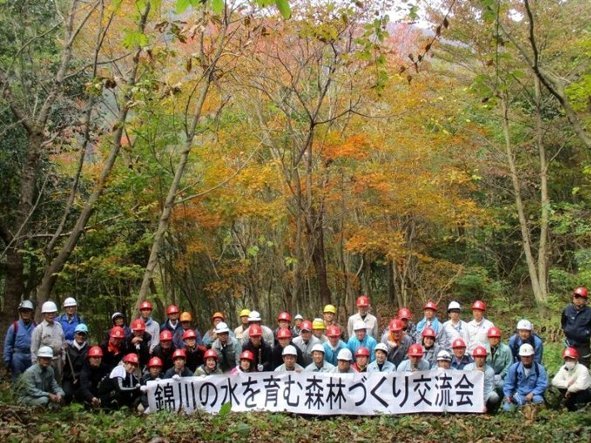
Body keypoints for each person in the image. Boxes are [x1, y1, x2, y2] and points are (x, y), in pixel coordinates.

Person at [502, 344, 548, 412]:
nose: (525, 359)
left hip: (534, 395)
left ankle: (529, 409)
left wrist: (533, 393)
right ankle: (522, 408)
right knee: (507, 408)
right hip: (519, 394)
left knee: (539, 401)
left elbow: (542, 384)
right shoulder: (514, 368)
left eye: (528, 357)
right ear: (520, 357)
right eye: (523, 356)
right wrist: (508, 395)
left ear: (532, 356)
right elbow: (508, 384)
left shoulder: (539, 369)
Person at [30, 301, 65, 383]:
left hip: (58, 360)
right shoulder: (39, 329)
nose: (51, 315)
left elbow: (63, 342)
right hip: (44, 361)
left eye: (53, 313)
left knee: (57, 382)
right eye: (48, 313)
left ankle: (58, 395)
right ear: (44, 314)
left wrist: (63, 358)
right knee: (45, 383)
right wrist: (35, 365)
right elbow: (34, 349)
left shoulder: (59, 326)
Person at [3, 300, 36, 382]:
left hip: (31, 356)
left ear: (31, 312)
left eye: (27, 311)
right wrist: (7, 360)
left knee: (31, 380)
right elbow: (8, 345)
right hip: (18, 357)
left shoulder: (36, 326)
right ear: (20, 312)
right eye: (23, 311)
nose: (25, 313)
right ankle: (16, 394)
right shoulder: (14, 326)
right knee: (17, 380)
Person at [464, 345, 500, 413]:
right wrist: (475, 374)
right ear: (474, 358)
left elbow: (490, 388)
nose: (480, 359)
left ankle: (489, 410)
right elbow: (464, 384)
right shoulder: (467, 368)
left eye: (482, 357)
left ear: (485, 358)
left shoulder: (490, 371)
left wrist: (483, 402)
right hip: (470, 393)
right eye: (477, 357)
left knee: (494, 396)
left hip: (485, 393)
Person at [561, 286, 591, 367]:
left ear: (585, 300)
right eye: (576, 297)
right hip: (569, 344)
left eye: (581, 298)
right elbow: (563, 323)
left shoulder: (589, 312)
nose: (578, 300)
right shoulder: (567, 309)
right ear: (573, 298)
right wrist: (567, 330)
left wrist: (586, 333)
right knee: (568, 367)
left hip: (583, 346)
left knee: (584, 368)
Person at [62, 323, 89, 403]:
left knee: (82, 394)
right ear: (74, 335)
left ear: (86, 336)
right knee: (67, 394)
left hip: (82, 379)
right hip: (69, 378)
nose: (81, 337)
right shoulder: (67, 348)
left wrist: (80, 378)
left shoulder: (88, 349)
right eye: (79, 334)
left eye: (83, 334)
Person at [486, 326, 513, 396]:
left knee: (502, 385)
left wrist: (501, 375)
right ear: (488, 338)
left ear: (499, 338)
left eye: (496, 337)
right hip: (486, 376)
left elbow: (509, 365)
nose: (494, 339)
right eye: (491, 337)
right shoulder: (484, 349)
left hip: (500, 376)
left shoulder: (506, 349)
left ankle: (500, 403)